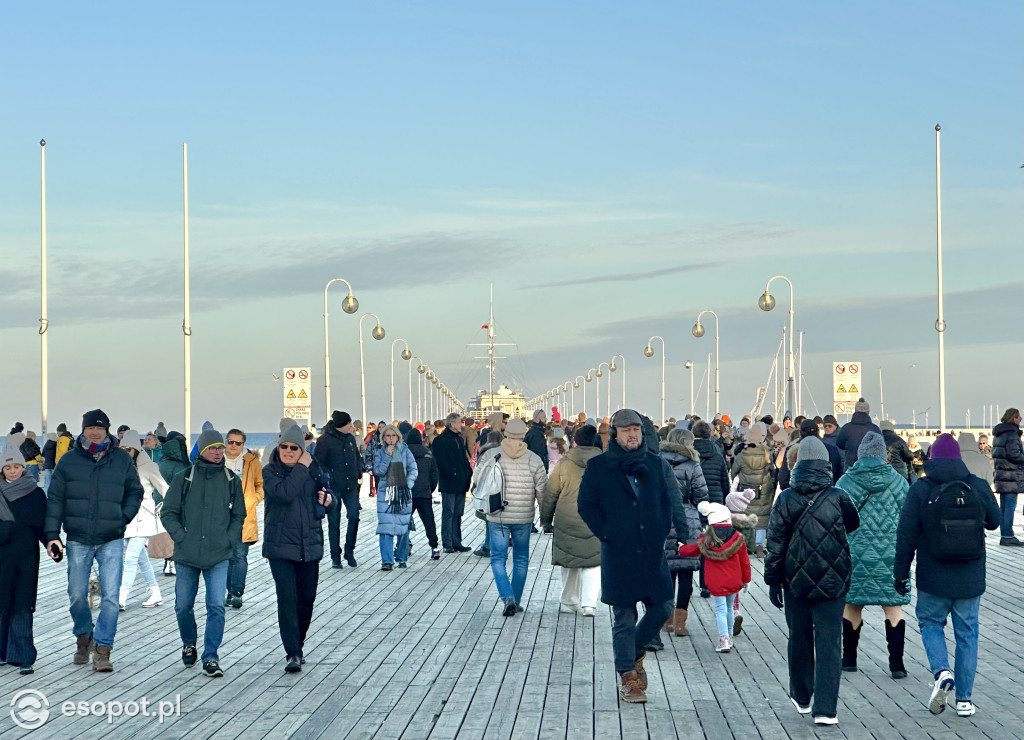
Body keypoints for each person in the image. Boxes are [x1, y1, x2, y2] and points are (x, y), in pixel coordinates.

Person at [578, 409, 689, 704]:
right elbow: (586, 505)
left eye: (636, 430)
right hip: (620, 552)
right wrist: (606, 533)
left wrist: (668, 528)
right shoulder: (600, 467)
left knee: (664, 606)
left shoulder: (656, 465)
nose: (632, 435)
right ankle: (628, 675)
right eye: (626, 430)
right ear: (615, 433)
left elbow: (669, 500)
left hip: (652, 551)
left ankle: (634, 651)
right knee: (624, 617)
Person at [894, 433, 999, 717]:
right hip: (970, 575)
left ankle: (941, 672)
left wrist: (900, 574)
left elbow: (906, 536)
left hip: (933, 575)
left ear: (932, 459)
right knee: (967, 634)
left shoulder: (921, 488)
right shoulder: (975, 485)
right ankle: (964, 700)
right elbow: (995, 522)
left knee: (930, 623)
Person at [764, 436, 860, 726]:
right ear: (826, 465)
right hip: (834, 577)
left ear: (796, 464)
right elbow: (853, 523)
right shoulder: (838, 496)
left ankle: (802, 696)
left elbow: (775, 544)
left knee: (800, 636)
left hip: (796, 580)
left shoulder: (786, 498)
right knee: (830, 641)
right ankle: (826, 710)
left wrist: (772, 580)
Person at [44, 409, 144, 672]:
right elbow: (55, 499)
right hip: (78, 537)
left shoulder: (121, 459)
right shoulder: (68, 461)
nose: (95, 432)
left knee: (111, 597)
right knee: (77, 594)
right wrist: (52, 535)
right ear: (83, 430)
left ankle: (103, 648)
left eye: (99, 428)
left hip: (111, 537)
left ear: (107, 430)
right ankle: (83, 636)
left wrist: (122, 518)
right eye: (90, 428)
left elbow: (135, 491)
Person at [160, 429, 246, 678]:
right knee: (183, 605)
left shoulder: (231, 480)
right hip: (187, 554)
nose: (218, 452)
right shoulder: (184, 478)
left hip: (218, 554)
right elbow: (168, 512)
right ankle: (189, 642)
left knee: (216, 605)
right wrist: (181, 536)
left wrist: (229, 538)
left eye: (221, 448)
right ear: (202, 449)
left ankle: (211, 656)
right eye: (213, 448)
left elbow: (239, 514)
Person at [835, 433, 910, 678]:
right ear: (883, 455)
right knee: (893, 607)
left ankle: (849, 659)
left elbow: (837, 520)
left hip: (854, 555)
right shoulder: (899, 482)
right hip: (891, 556)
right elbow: (908, 520)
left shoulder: (845, 483)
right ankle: (896, 664)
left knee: (852, 604)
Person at [262, 425, 331, 672]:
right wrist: (303, 466)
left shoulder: (313, 471)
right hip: (280, 547)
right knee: (287, 599)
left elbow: (325, 500)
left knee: (307, 599)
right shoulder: (271, 472)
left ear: (301, 450)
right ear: (278, 448)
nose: (289, 452)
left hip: (309, 545)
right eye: (285, 447)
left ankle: (298, 644)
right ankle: (292, 652)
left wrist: (329, 501)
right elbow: (285, 494)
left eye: (294, 448)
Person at [481, 418, 547, 615]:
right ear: (524, 435)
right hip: (523, 517)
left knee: (498, 558)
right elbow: (543, 490)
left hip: (497, 515)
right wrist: (545, 518)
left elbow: (477, 479)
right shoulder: (533, 459)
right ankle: (516, 600)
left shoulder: (492, 455)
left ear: (506, 433)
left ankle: (507, 596)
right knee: (520, 559)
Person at [540, 425, 603, 617]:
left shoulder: (564, 463)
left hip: (567, 516)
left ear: (575, 441)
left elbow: (551, 493)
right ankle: (589, 604)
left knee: (569, 559)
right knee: (594, 562)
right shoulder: (605, 463)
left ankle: (569, 600)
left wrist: (545, 519)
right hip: (596, 517)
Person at [0, 440, 47, 674]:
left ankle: (23, 656)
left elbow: (43, 524)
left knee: (22, 602)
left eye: (16, 467)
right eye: (8, 468)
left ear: (23, 466)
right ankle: (2, 651)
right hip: (2, 554)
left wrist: (52, 543)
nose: (13, 471)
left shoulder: (35, 492)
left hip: (27, 554)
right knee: (2, 602)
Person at [677, 502, 750, 653]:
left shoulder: (707, 539)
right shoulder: (738, 538)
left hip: (716, 581)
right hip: (734, 579)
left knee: (720, 610)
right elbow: (745, 561)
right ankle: (728, 638)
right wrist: (746, 580)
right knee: (730, 608)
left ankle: (723, 640)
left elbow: (692, 550)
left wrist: (681, 548)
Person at [658, 428, 708, 636]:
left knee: (667, 570)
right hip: (687, 518)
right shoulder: (693, 465)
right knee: (686, 571)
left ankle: (666, 619)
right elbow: (702, 494)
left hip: (662, 517)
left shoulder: (659, 462)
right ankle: (680, 623)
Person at [118, 430, 169, 610]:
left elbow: (165, 489)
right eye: (122, 448)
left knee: (130, 558)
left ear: (136, 449)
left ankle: (121, 597)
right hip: (125, 518)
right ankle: (156, 592)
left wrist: (163, 509)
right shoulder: (119, 467)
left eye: (129, 449)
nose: (125, 452)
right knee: (140, 558)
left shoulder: (149, 467)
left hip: (144, 517)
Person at [314, 411, 363, 568]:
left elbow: (356, 457)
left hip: (351, 486)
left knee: (354, 516)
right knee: (334, 522)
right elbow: (318, 462)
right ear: (341, 425)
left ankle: (350, 551)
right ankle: (336, 556)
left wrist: (359, 470)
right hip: (334, 487)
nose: (351, 426)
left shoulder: (350, 439)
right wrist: (329, 476)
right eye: (349, 423)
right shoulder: (325, 441)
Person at [223, 429, 264, 607]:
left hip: (243, 515)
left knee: (239, 555)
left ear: (243, 444)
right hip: (220, 516)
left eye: (237, 443)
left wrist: (252, 501)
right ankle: (227, 592)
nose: (233, 446)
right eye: (230, 442)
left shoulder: (251, 462)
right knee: (224, 556)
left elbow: (260, 485)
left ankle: (236, 593)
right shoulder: (218, 459)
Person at [373, 425, 418, 570]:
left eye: (393, 435)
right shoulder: (380, 453)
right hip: (385, 493)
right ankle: (387, 560)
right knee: (385, 527)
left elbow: (413, 469)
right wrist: (387, 455)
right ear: (383, 438)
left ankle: (401, 556)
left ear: (398, 437)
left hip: (403, 492)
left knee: (402, 526)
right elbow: (379, 471)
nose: (391, 438)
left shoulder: (405, 451)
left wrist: (408, 484)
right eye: (387, 436)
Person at [731, 422, 775, 557]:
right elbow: (772, 470)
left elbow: (734, 471)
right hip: (763, 488)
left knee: (747, 514)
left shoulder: (743, 453)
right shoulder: (767, 451)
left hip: (746, 488)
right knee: (762, 516)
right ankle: (759, 545)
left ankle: (747, 544)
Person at [432, 413, 472, 553]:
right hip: (449, 482)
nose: (461, 424)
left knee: (458, 513)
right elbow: (440, 461)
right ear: (452, 424)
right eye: (459, 422)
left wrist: (468, 473)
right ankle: (447, 543)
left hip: (461, 482)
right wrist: (453, 472)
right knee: (448, 512)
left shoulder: (459, 439)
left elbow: (463, 459)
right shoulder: (440, 440)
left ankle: (457, 542)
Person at [158, 431, 191, 576]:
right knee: (180, 533)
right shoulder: (186, 465)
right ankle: (176, 561)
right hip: (184, 504)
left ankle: (168, 562)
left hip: (165, 504)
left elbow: (157, 488)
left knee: (168, 532)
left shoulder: (162, 464)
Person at [991, 408, 1024, 546]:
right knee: (1010, 505)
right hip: (1011, 475)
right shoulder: (1011, 434)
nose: (1021, 419)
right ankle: (1008, 534)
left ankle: (1005, 533)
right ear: (1013, 418)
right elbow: (1014, 454)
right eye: (1019, 417)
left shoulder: (999, 433)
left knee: (1004, 505)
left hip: (1002, 474)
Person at [406, 428, 440, 560]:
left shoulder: (403, 453)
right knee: (428, 521)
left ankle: (404, 545)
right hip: (424, 492)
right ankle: (434, 547)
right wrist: (429, 488)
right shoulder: (428, 454)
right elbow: (434, 475)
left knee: (404, 520)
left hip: (408, 493)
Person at [472, 430, 504, 558]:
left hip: (487, 488)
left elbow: (479, 472)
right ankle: (494, 545)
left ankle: (488, 546)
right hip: (501, 487)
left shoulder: (485, 452)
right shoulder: (504, 452)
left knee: (489, 518)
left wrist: (475, 485)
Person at [835, 399, 882, 470]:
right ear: (868, 412)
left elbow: (839, 443)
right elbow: (880, 447)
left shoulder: (846, 428)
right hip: (870, 468)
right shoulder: (875, 429)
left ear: (855, 411)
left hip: (851, 467)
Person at [692, 421, 728, 504]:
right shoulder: (717, 454)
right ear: (709, 435)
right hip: (715, 499)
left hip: (695, 500)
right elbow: (725, 482)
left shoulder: (688, 455)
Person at [364, 420, 387, 497]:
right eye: (379, 427)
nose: (381, 429)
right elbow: (368, 453)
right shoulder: (374, 439)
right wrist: (369, 467)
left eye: (383, 427)